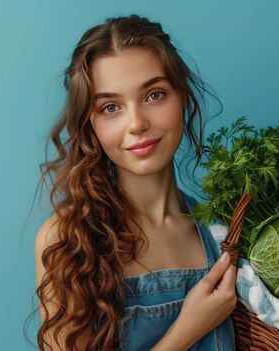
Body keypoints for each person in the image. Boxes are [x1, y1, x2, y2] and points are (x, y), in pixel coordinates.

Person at [33, 15, 236, 351]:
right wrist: (187, 330)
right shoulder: (67, 242)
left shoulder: (221, 231)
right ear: (90, 124)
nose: (137, 123)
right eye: (111, 107)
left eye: (154, 95)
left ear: (182, 96)